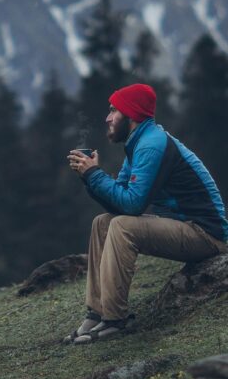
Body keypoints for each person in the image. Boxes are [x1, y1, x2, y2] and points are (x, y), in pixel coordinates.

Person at [65, 82, 228, 344]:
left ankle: (115, 320)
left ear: (131, 114)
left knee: (122, 226)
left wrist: (94, 174)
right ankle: (96, 313)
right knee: (103, 223)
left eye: (113, 111)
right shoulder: (138, 143)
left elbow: (132, 206)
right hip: (180, 226)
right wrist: (90, 176)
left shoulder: (151, 145)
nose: (108, 118)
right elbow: (120, 202)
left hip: (206, 235)